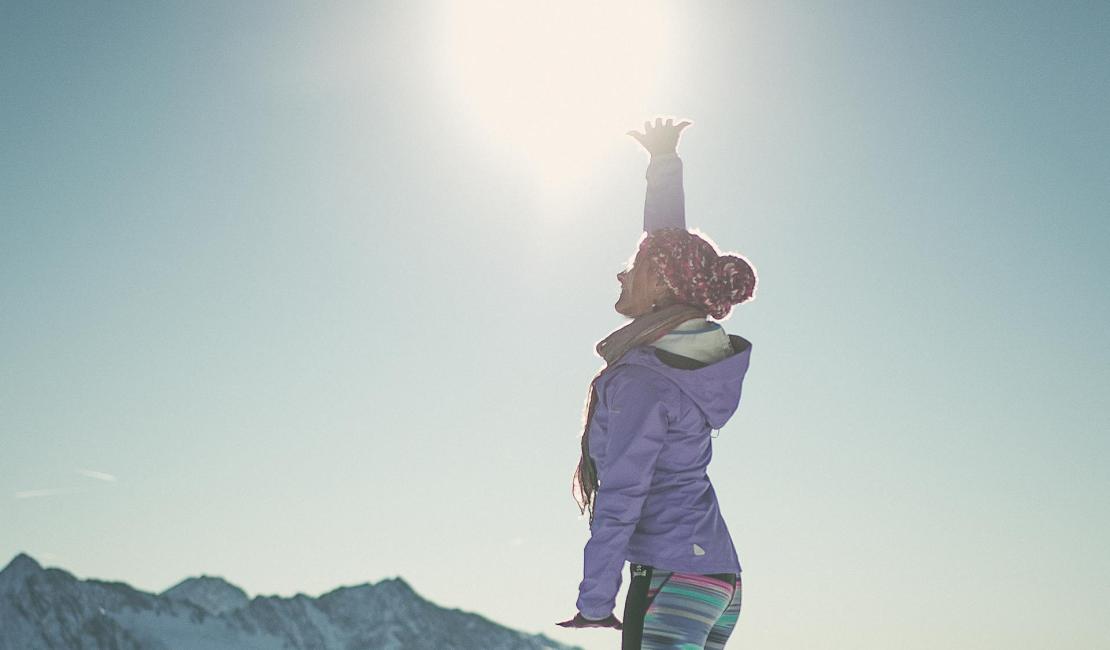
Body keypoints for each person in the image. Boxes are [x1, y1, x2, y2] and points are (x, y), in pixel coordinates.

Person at [556, 118, 758, 649]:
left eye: (636, 269)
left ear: (664, 287)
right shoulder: (688, 356)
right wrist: (663, 163)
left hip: (670, 577)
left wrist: (595, 601)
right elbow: (670, 248)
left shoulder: (643, 381)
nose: (623, 274)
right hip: (716, 577)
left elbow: (622, 493)